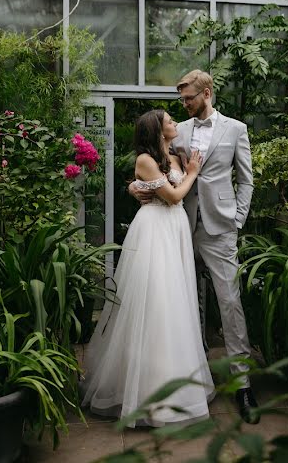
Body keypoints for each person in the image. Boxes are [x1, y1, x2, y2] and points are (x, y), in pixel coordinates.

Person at [128, 70, 259, 424]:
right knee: (186, 300)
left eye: (188, 98)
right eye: (182, 100)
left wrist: (237, 220)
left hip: (220, 230)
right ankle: (194, 375)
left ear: (207, 92)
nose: (184, 105)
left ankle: (243, 384)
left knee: (229, 302)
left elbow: (246, 180)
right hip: (178, 226)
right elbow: (153, 165)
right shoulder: (178, 131)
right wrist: (134, 187)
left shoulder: (235, 129)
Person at [81, 110, 214, 427]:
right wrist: (193, 172)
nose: (174, 124)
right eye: (169, 121)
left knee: (175, 305)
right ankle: (147, 392)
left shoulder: (176, 155)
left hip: (175, 230)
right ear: (157, 129)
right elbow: (171, 196)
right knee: (156, 303)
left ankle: (175, 381)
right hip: (155, 230)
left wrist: (137, 185)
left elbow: (160, 188)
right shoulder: (145, 159)